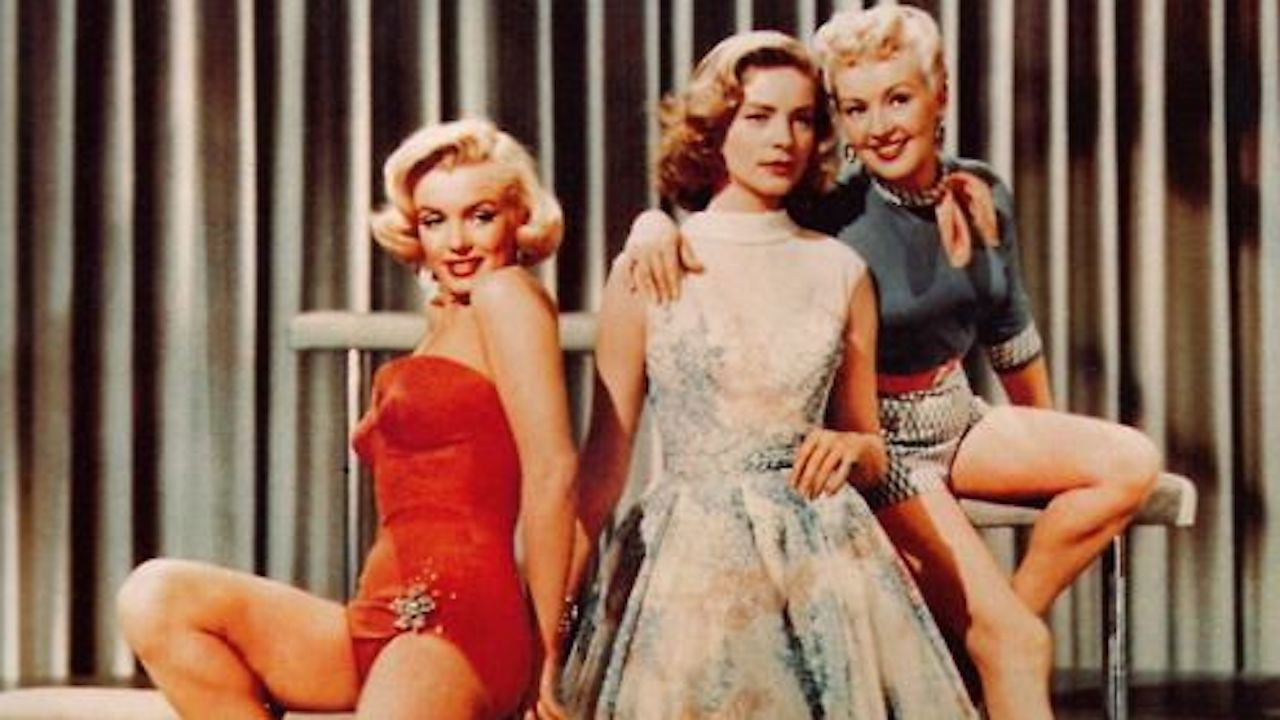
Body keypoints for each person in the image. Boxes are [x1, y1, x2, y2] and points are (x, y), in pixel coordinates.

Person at [620, 6, 1163, 719]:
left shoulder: (981, 191)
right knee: (1016, 644)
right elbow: (731, 220)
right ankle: (995, 643)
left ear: (940, 96)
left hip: (957, 415)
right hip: (881, 445)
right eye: (855, 108)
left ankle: (981, 641)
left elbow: (1011, 334)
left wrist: (1044, 444)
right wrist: (650, 223)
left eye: (898, 99)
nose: (879, 126)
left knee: (1128, 462)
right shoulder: (828, 209)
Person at [560, 30, 978, 719]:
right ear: (713, 128)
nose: (783, 138)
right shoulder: (653, 261)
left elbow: (871, 447)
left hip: (822, 557)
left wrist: (851, 449)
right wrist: (553, 622)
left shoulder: (840, 269)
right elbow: (604, 464)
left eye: (802, 118)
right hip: (690, 566)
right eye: (758, 116)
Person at [116, 119, 577, 720]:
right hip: (377, 615)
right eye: (435, 220)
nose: (458, 241)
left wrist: (550, 651)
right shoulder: (445, 319)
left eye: (481, 215)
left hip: (461, 622)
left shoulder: (506, 295)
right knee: (156, 596)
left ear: (520, 218)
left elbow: (553, 472)